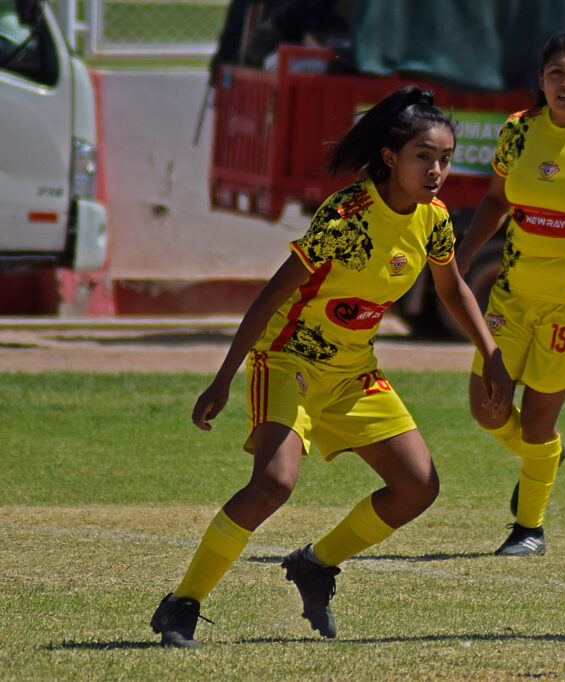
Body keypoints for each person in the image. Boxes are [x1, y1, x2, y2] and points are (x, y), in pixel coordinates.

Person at [149, 86, 513, 649]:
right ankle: (182, 603)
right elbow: (270, 298)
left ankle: (316, 565)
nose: (437, 169)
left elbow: (453, 286)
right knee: (273, 483)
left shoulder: (434, 218)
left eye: (445, 157)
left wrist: (491, 353)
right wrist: (224, 376)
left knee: (417, 487)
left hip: (353, 371)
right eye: (424, 156)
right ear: (391, 157)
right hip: (289, 360)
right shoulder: (346, 216)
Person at [455, 30, 565, 556]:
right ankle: (546, 456)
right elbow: (494, 200)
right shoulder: (519, 131)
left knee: (535, 421)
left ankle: (528, 529)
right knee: (487, 408)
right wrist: (458, 259)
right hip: (511, 293)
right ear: (542, 80)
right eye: (557, 73)